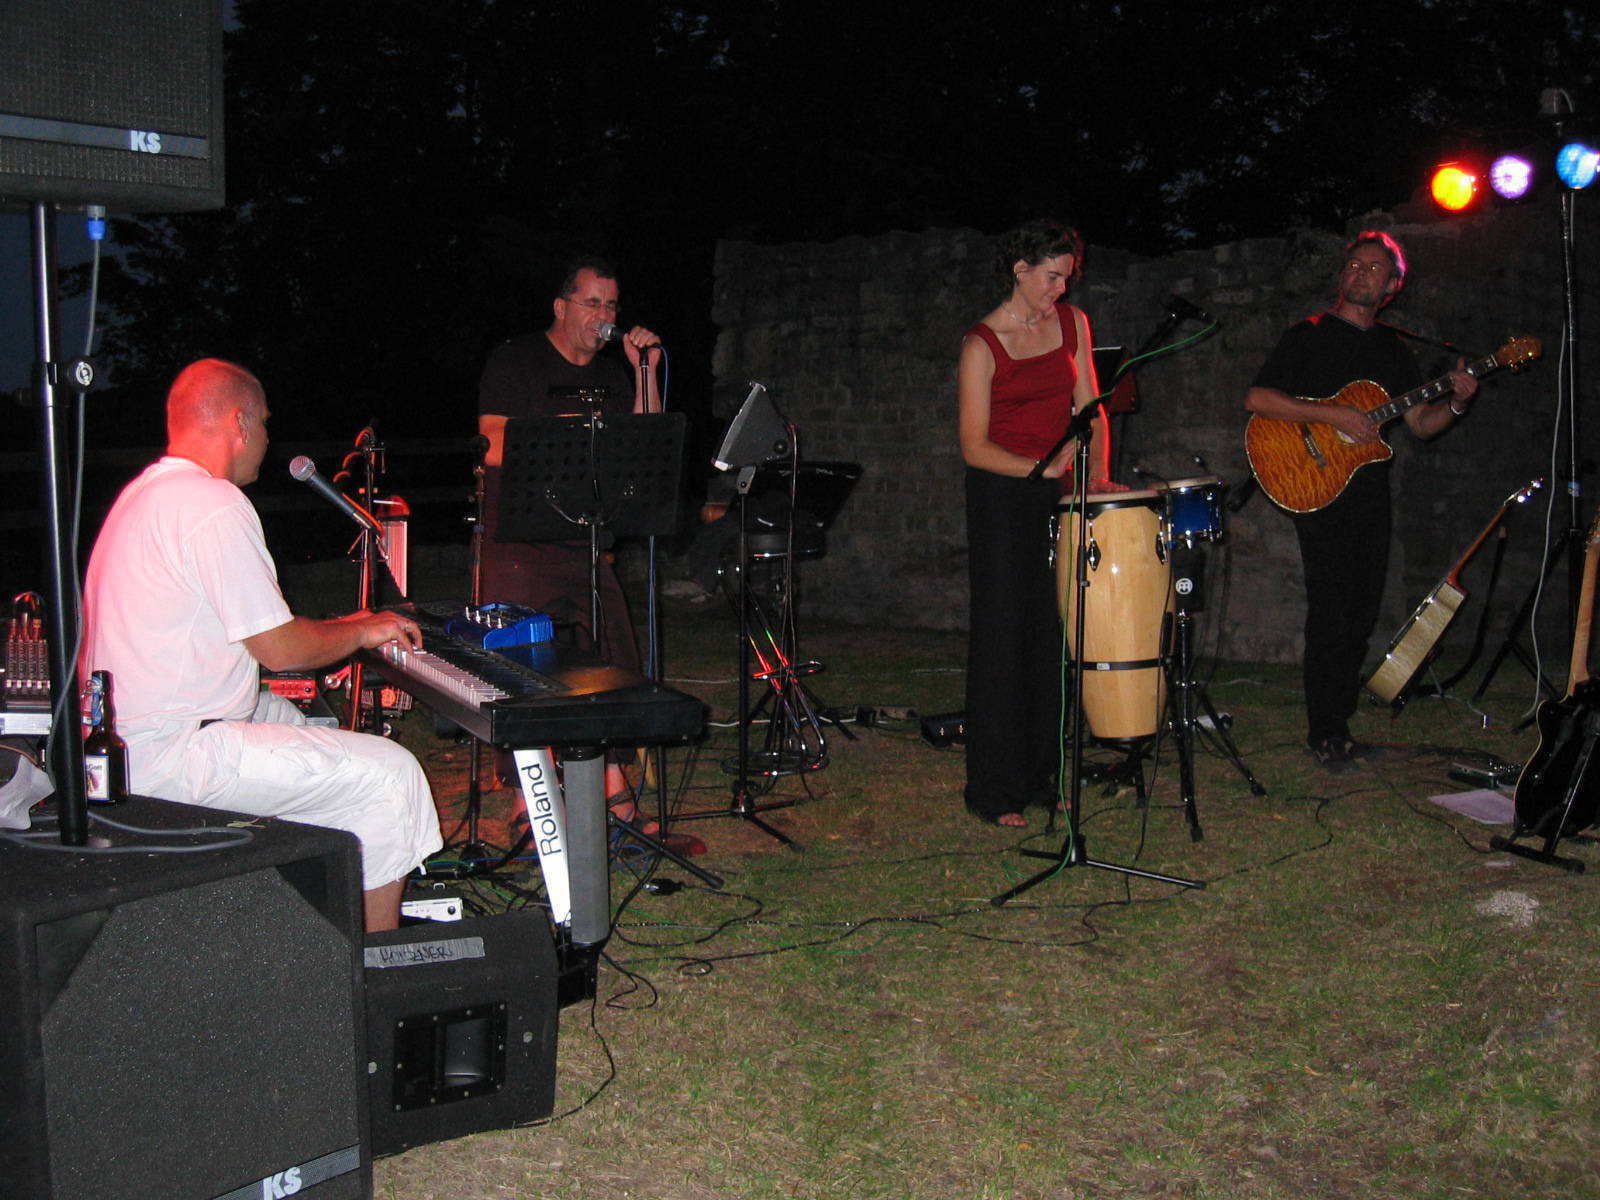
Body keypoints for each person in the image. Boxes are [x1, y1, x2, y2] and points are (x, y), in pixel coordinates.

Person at [81, 359, 443, 931]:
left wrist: (345, 625)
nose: (269, 439)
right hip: (171, 756)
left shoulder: (144, 495)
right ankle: (377, 961)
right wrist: (363, 629)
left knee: (302, 724)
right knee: (391, 776)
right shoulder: (211, 503)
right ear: (239, 422)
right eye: (266, 423)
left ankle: (307, 918)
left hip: (124, 745)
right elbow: (280, 648)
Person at [1244, 231, 1478, 772]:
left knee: (1361, 609)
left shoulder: (1393, 350)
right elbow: (1258, 398)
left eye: (1374, 268)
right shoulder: (1308, 335)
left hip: (1368, 488)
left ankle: (1339, 723)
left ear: (1393, 286)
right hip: (1315, 481)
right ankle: (1325, 731)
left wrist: (1458, 403)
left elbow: (1420, 424)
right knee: (1331, 608)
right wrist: (1333, 415)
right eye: (1354, 264)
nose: (1361, 273)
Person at [478, 257, 662, 822]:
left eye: (611, 304)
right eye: (592, 302)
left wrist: (645, 372)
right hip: (520, 542)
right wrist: (572, 441)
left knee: (612, 657)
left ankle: (610, 782)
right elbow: (491, 440)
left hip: (585, 541)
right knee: (522, 663)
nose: (604, 314)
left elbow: (644, 441)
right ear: (561, 307)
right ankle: (528, 799)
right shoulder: (517, 360)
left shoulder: (611, 375)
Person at [958, 219, 1117, 827]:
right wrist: (1041, 468)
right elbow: (973, 446)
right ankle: (994, 789)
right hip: (1002, 494)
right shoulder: (982, 344)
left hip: (1059, 489)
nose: (1060, 288)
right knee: (1005, 638)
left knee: (1054, 635)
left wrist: (1097, 476)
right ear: (1019, 270)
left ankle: (1045, 777)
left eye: (1066, 277)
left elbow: (1091, 407)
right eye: (1051, 277)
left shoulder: (1073, 323)